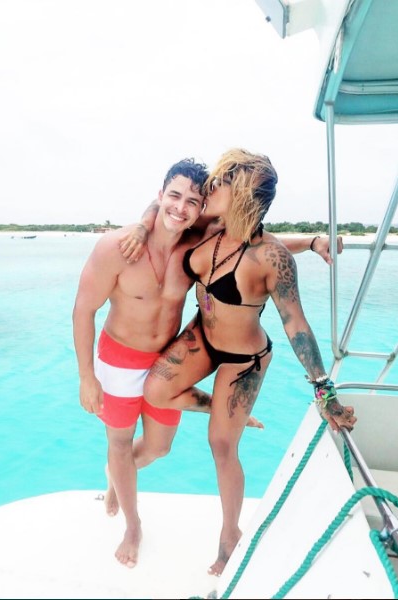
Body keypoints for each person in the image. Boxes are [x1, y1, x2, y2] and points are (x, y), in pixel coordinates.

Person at [72, 157, 343, 570]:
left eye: (213, 189)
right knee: (138, 417)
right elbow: (86, 306)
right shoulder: (159, 237)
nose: (196, 198)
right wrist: (86, 376)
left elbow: (267, 267)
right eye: (179, 195)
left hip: (209, 354)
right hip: (161, 348)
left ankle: (216, 525)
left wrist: (323, 387)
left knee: (190, 446)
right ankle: (135, 513)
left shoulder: (232, 245)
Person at [140, 148, 357, 577]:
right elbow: (162, 205)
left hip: (244, 359)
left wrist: (323, 388)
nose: (211, 187)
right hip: (203, 335)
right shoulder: (210, 224)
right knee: (155, 389)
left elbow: (295, 323)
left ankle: (229, 534)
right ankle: (219, 409)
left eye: (222, 182)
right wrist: (139, 226)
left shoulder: (272, 258)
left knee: (221, 445)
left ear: (241, 196)